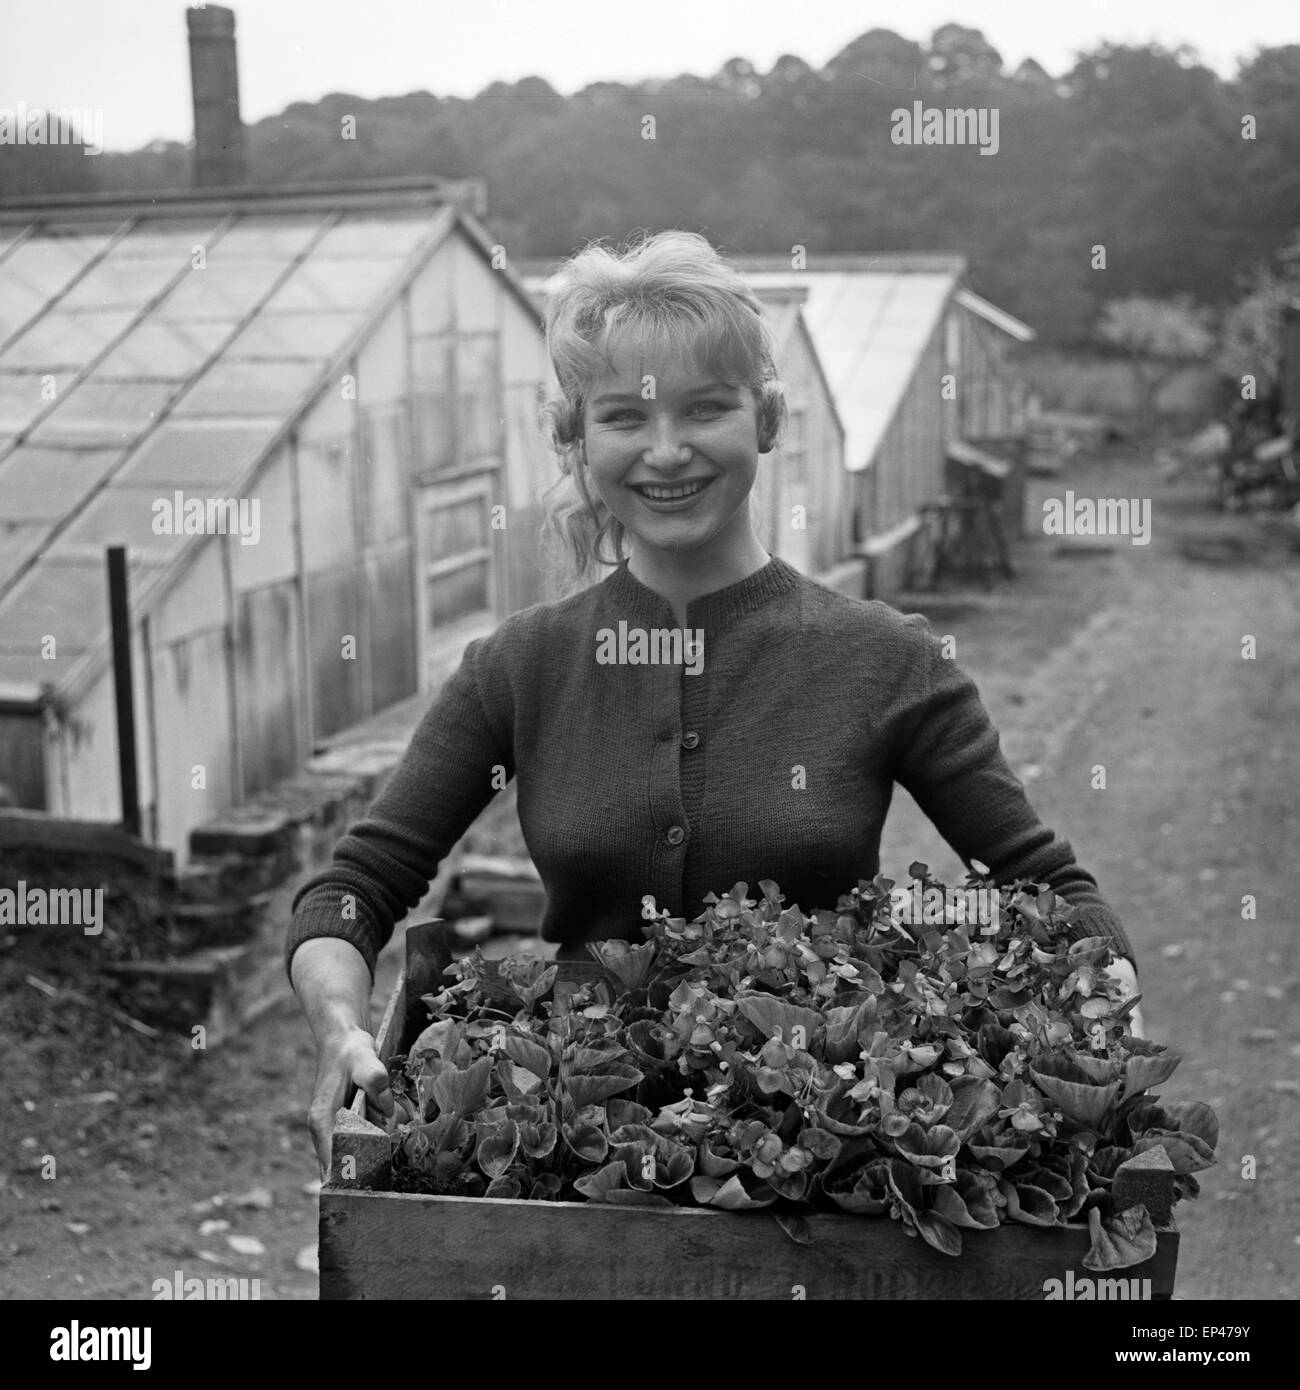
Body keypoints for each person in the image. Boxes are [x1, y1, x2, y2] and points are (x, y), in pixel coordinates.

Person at [287, 230, 1142, 1178]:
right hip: (570, 1156)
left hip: (817, 1158)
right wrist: (340, 1025)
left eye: (705, 407)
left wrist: (1102, 1008)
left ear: (766, 418)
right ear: (577, 439)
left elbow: (1052, 890)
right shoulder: (522, 665)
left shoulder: (887, 659)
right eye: (624, 417)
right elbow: (354, 889)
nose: (667, 451)